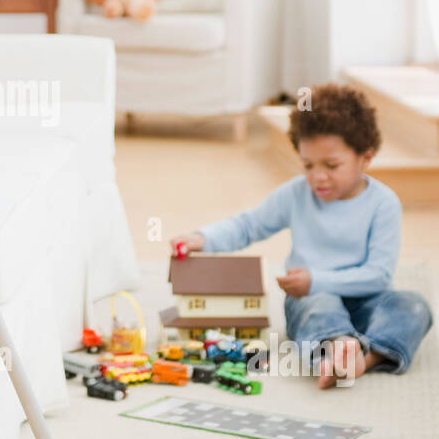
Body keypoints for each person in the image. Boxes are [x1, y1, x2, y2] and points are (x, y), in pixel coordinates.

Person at [170, 83, 433, 390]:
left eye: (332, 165)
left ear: (366, 157)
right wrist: (202, 238)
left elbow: (378, 275)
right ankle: (338, 347)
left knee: (415, 306)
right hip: (313, 302)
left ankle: (366, 356)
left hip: (369, 302)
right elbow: (248, 225)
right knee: (320, 305)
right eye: (308, 165)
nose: (318, 176)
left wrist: (316, 279)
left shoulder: (383, 203)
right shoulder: (296, 194)